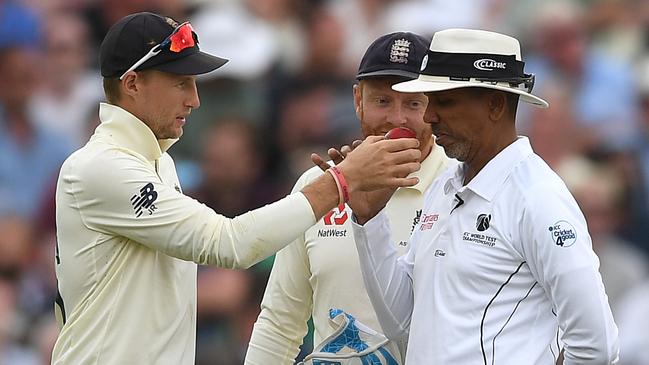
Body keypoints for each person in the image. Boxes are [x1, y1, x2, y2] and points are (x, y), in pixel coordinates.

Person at [51, 12, 422, 365]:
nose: (194, 100)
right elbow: (228, 244)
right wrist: (344, 180)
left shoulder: (157, 161)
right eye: (181, 82)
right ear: (132, 83)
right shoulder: (101, 167)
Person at [349, 29, 620, 364]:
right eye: (430, 102)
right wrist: (368, 220)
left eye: (445, 102)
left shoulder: (538, 198)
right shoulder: (446, 186)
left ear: (495, 104)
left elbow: (597, 346)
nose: (430, 117)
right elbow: (403, 323)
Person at [245, 32, 452, 364]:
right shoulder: (318, 186)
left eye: (413, 103)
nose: (397, 119)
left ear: (435, 107)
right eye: (382, 101)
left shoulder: (458, 188)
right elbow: (280, 321)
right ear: (358, 100)